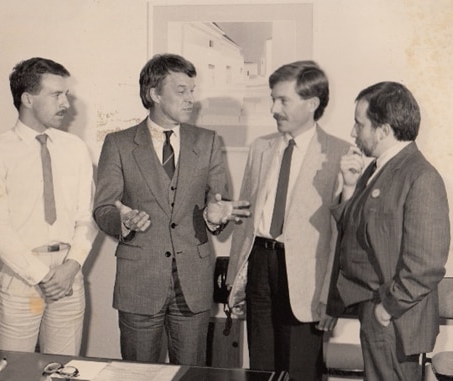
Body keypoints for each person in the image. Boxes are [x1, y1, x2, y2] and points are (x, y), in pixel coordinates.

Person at [93, 53, 250, 366]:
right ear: (154, 94)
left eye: (192, 91)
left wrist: (215, 217)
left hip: (193, 282)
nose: (191, 99)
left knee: (190, 373)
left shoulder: (207, 141)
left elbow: (218, 203)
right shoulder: (119, 143)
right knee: (138, 374)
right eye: (182, 91)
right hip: (139, 281)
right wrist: (123, 221)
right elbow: (103, 208)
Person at [225, 60, 350, 380]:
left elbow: (342, 236)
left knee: (300, 371)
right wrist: (234, 281)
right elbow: (244, 217)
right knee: (261, 368)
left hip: (306, 280)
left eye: (283, 100)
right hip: (259, 268)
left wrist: (331, 296)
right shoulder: (261, 147)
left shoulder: (341, 154)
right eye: (272, 99)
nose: (273, 109)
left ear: (312, 103)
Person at [327, 81, 450, 381]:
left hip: (395, 320)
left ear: (383, 130)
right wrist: (349, 187)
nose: (354, 133)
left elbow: (427, 265)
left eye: (360, 124)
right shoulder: (377, 169)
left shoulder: (421, 177)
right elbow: (352, 229)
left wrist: (386, 309)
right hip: (378, 312)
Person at [0, 57, 97, 355]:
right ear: (27, 99)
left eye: (65, 94)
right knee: (13, 373)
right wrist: (42, 276)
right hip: (21, 278)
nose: (66, 104)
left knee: (64, 371)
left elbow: (87, 217)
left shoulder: (76, 149)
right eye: (56, 95)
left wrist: (71, 266)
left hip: (69, 275)